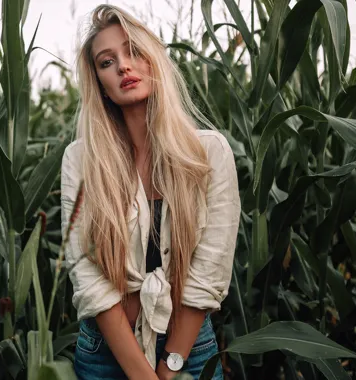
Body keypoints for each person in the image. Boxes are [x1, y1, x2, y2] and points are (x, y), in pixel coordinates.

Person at [60, 4, 240, 380]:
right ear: (100, 85)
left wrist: (169, 364)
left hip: (188, 350)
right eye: (107, 62)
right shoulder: (81, 159)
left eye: (134, 51)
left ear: (154, 61)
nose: (124, 66)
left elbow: (209, 273)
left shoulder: (208, 153)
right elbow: (89, 279)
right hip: (105, 353)